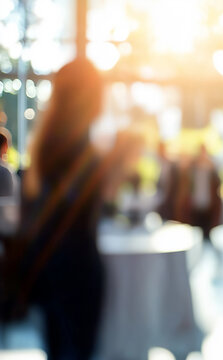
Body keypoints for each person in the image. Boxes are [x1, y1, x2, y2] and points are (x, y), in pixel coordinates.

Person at [16, 58, 137, 359]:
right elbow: (79, 211)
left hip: (52, 272)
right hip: (77, 273)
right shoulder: (79, 151)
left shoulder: (46, 146)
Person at [191, 145, 222, 246]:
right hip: (196, 202)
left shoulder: (211, 168)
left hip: (208, 203)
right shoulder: (193, 168)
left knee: (207, 227)